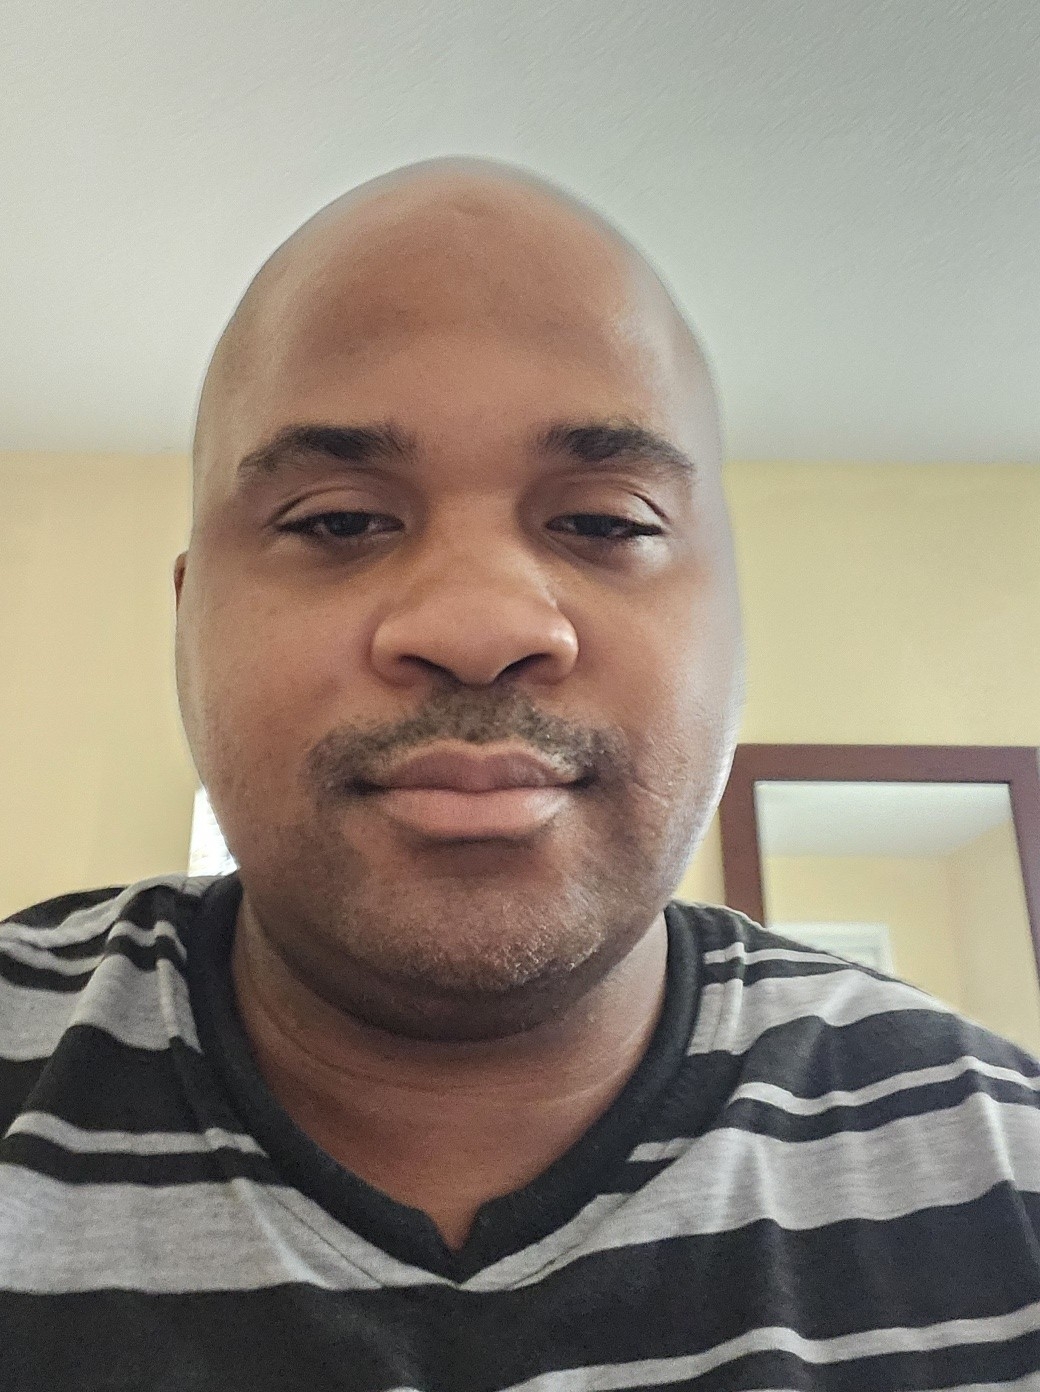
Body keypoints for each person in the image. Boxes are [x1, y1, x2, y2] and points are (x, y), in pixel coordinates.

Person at [1, 156, 1038, 1392]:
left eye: (604, 521)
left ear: (732, 629)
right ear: (188, 624)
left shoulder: (1006, 1171)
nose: (478, 624)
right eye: (337, 519)